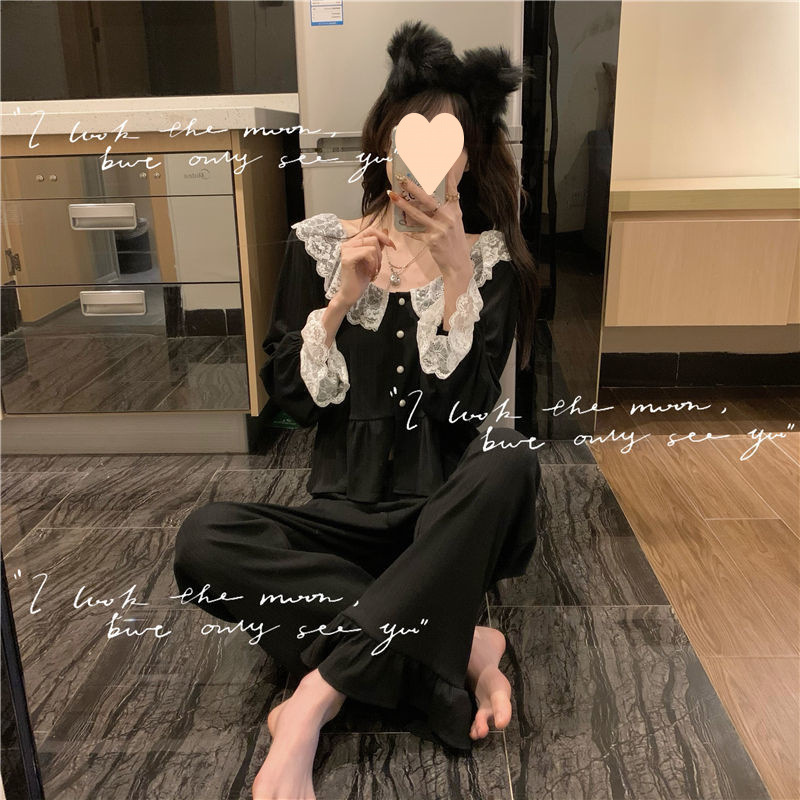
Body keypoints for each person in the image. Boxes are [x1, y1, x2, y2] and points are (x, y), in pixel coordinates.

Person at [173, 20, 542, 800]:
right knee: (204, 539)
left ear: (468, 157)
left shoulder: (489, 263)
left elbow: (467, 415)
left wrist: (456, 281)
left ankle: (314, 698)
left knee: (510, 460)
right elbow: (291, 406)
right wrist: (339, 303)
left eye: (447, 145)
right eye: (409, 141)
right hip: (335, 525)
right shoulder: (321, 247)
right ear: (384, 146)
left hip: (439, 524)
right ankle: (457, 644)